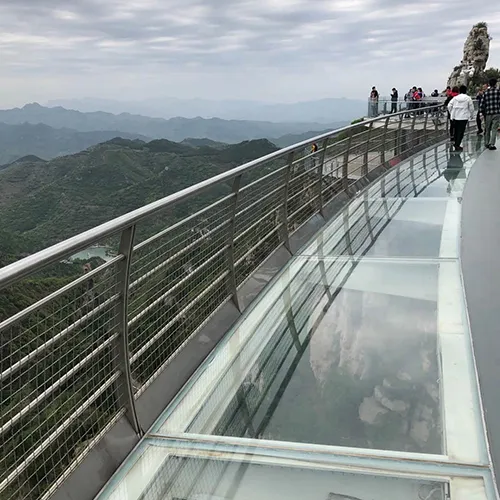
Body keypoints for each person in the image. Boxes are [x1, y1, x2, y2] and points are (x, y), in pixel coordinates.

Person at [447, 85, 475, 151]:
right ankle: (457, 144)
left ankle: (455, 142)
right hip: (464, 117)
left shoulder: (455, 98)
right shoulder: (468, 98)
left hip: (455, 117)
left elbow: (449, 106)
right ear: (466, 91)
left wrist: (452, 113)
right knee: (461, 131)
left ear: (459, 91)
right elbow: (471, 108)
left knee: (456, 130)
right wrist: (471, 115)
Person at [481, 78, 500, 150]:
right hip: (496, 113)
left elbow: (482, 103)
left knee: (487, 128)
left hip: (488, 113)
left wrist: (481, 112)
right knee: (494, 129)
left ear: (489, 84)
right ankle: (492, 144)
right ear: (495, 84)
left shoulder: (486, 93)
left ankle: (486, 143)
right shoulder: (498, 92)